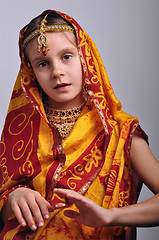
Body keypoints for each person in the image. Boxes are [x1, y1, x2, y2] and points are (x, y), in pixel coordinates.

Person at [0, 9, 159, 240]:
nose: (57, 72)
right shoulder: (21, 135)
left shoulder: (120, 133)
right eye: (43, 63)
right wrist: (13, 197)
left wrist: (110, 216)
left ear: (86, 57)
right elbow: (5, 212)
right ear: (31, 73)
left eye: (66, 56)